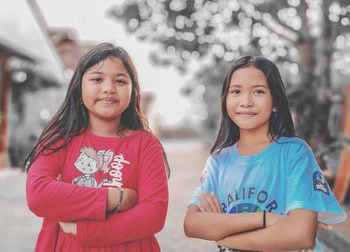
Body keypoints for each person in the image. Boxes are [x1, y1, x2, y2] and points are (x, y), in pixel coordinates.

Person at [183, 56, 346, 252]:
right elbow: (192, 224)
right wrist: (267, 219)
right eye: (236, 91)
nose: (246, 101)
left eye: (258, 91)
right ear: (225, 100)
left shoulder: (294, 153)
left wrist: (224, 234)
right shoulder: (218, 161)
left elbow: (300, 234)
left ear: (276, 102)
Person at [25, 43, 169, 252]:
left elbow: (153, 215)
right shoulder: (59, 139)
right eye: (97, 79)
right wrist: (116, 198)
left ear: (132, 91)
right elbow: (38, 195)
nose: (109, 88)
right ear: (79, 87)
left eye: (120, 81)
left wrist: (84, 230)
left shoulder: (145, 144)